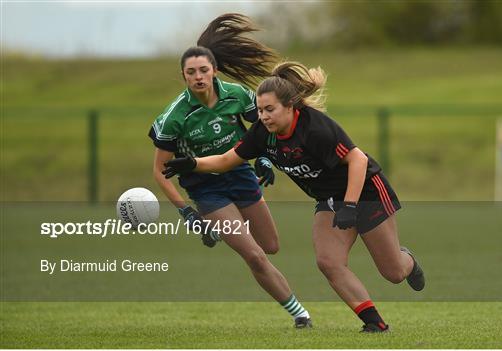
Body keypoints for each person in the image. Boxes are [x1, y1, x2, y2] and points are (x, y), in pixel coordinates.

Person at [162, 61, 426, 333]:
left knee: (393, 273)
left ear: (289, 106)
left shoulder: (314, 128)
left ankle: (408, 259)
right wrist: (193, 164)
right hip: (330, 199)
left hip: (367, 191)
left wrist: (350, 204)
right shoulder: (264, 133)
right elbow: (227, 159)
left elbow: (358, 160)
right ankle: (375, 324)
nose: (263, 116)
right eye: (261, 110)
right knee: (328, 262)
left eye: (270, 110)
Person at [150, 15, 312, 328]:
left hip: (240, 176)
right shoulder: (174, 117)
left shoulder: (236, 95)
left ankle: (220, 231)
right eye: (191, 72)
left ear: (215, 71)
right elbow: (159, 171)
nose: (198, 77)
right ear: (183, 76)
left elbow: (263, 128)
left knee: (270, 247)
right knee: (254, 255)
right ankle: (300, 315)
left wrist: (265, 157)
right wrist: (186, 212)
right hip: (207, 190)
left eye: (203, 70)